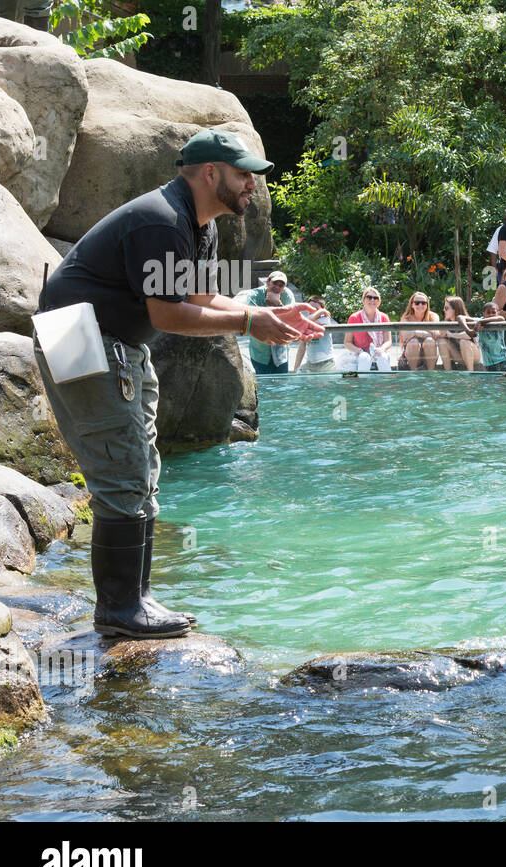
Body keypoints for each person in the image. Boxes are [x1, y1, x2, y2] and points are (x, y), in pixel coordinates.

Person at [33, 127, 320, 638]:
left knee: (143, 466)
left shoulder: (199, 223)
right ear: (210, 173)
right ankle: (119, 611)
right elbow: (168, 315)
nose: (252, 185)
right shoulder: (161, 221)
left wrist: (268, 311)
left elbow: (205, 298)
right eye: (243, 174)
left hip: (119, 340)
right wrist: (251, 325)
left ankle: (135, 599)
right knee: (122, 469)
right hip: (78, 335)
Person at [245, 270, 296, 374]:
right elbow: (253, 319)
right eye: (275, 283)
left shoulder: (287, 295)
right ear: (268, 282)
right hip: (260, 351)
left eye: (281, 285)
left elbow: (291, 319)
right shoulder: (254, 295)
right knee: (263, 385)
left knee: (282, 385)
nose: (277, 287)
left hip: (281, 351)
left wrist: (278, 304)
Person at [341, 286, 393, 371]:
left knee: (382, 357)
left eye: (375, 298)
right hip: (360, 353)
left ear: (379, 302)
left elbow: (388, 341)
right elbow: (347, 342)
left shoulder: (384, 318)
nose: (372, 300)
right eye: (369, 297)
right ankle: (363, 383)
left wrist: (382, 349)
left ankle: (387, 383)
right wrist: (358, 350)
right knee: (364, 357)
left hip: (378, 351)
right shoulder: (354, 318)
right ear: (363, 300)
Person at [292, 295, 336, 373]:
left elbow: (304, 323)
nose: (313, 311)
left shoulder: (325, 319)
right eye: (310, 308)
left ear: (323, 309)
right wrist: (296, 367)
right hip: (311, 363)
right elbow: (302, 347)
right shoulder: (308, 320)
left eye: (316, 309)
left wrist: (321, 312)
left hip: (326, 362)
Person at [397, 291, 441, 370]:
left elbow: (436, 334)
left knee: (430, 341)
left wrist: (415, 332)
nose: (420, 305)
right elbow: (405, 336)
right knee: (414, 342)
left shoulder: (433, 316)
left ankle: (431, 373)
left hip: (429, 354)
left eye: (423, 303)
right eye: (417, 303)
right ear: (412, 305)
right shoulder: (406, 318)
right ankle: (413, 374)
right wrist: (427, 331)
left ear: (427, 305)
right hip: (410, 354)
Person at [467, 302, 506, 372]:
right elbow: (460, 317)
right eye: (488, 312)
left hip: (503, 360)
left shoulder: (498, 322)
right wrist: (468, 331)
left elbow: (501, 318)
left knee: (505, 381)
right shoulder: (480, 321)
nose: (491, 315)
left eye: (493, 312)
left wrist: (480, 321)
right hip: (488, 363)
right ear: (483, 314)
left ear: (498, 313)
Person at [439, 296, 480, 371]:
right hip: (458, 356)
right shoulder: (446, 323)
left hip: (474, 356)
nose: (444, 310)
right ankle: (448, 372)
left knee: (464, 342)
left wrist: (451, 335)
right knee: (442, 342)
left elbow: (468, 335)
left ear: (455, 309)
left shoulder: (467, 321)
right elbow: (439, 335)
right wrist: (444, 323)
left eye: (446, 308)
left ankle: (470, 373)